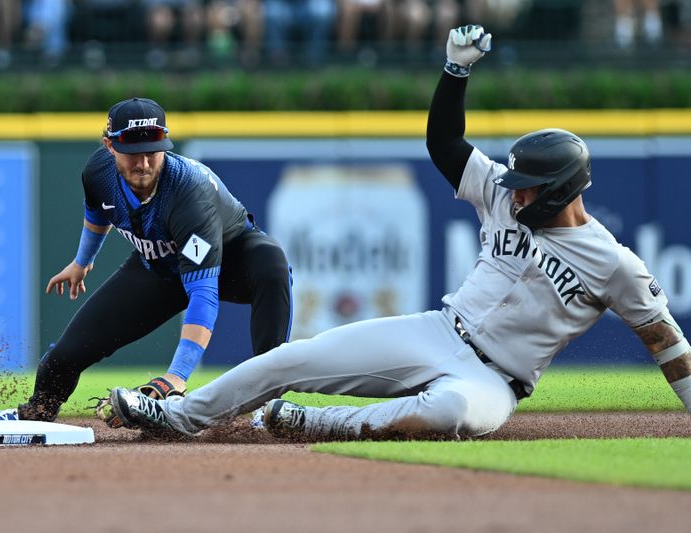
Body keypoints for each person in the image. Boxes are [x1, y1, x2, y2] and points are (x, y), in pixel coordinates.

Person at [102, 25, 691, 441]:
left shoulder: (614, 265)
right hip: (436, 331)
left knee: (451, 414)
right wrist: (454, 73)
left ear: (563, 190)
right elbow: (445, 145)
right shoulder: (503, 196)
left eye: (530, 186)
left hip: (495, 380)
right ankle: (174, 417)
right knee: (293, 358)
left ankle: (311, 423)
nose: (515, 191)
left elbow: (667, 343)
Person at [0, 97, 294, 423]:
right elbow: (98, 212)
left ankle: (268, 406)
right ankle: (34, 416)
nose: (143, 163)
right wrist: (82, 261)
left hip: (229, 261)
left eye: (151, 151)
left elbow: (203, 294)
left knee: (272, 265)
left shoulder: (189, 194)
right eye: (132, 153)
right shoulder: (98, 172)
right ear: (109, 146)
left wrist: (176, 377)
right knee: (61, 359)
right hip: (158, 268)